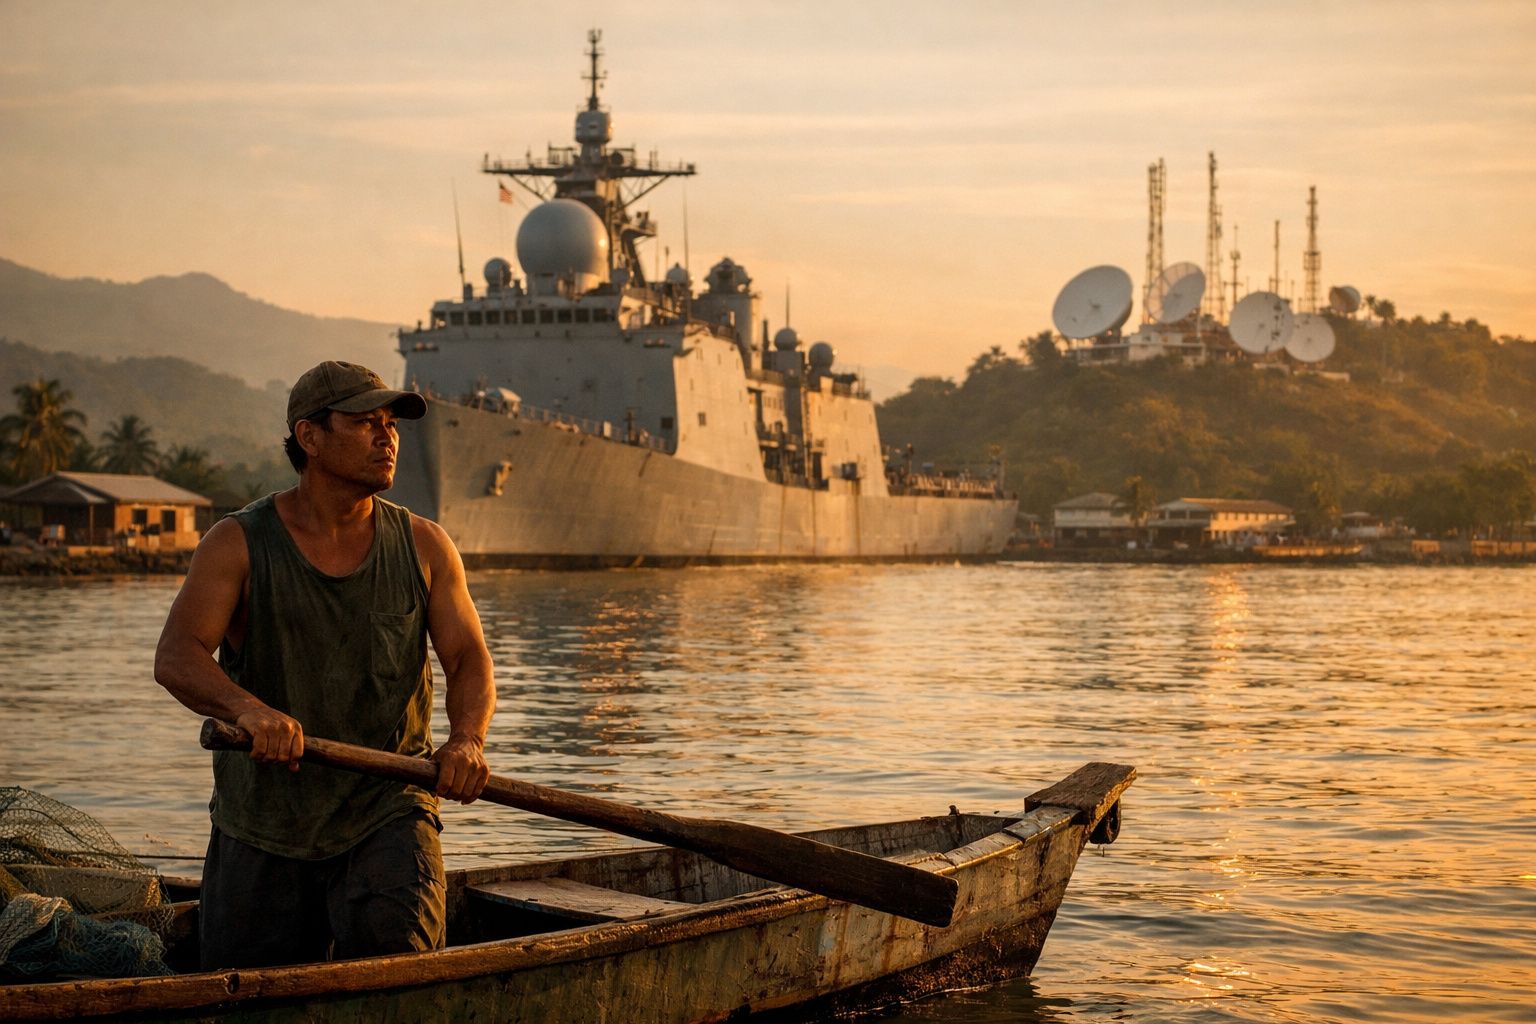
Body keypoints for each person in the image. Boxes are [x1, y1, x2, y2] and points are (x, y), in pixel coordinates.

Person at [154, 360, 496, 970]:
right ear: (309, 437)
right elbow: (177, 656)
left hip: (388, 810)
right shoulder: (237, 542)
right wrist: (250, 711)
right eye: (366, 423)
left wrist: (466, 741)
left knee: (401, 980)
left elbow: (468, 658)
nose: (387, 437)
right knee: (243, 989)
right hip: (263, 821)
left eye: (390, 425)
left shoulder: (425, 546)